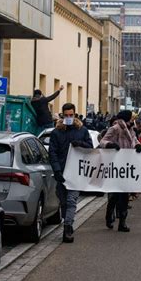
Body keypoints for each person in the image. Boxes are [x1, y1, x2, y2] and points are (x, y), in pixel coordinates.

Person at [49, 103, 93, 243]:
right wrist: (56, 170)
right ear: (62, 115)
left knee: (71, 200)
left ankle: (68, 228)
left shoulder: (82, 130)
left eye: (71, 115)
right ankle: (67, 220)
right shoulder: (56, 132)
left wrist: (80, 143)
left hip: (76, 172)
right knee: (63, 202)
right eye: (66, 115)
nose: (68, 117)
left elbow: (90, 148)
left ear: (75, 115)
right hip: (61, 172)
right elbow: (52, 152)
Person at [99, 110, 141, 232]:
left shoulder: (131, 129)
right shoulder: (115, 128)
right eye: (131, 118)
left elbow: (135, 141)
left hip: (128, 166)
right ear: (126, 118)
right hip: (116, 166)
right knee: (114, 195)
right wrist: (110, 145)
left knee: (124, 195)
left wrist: (139, 146)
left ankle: (122, 222)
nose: (132, 120)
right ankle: (109, 215)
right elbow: (103, 141)